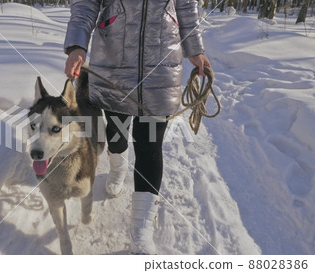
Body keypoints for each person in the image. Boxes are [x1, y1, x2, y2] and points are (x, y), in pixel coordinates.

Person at [64, 0, 211, 254]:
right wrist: (77, 44)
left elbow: (187, 6)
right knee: (117, 133)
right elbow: (86, 4)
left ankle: (141, 233)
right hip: (114, 61)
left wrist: (194, 48)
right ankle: (118, 164)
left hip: (161, 64)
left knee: (150, 146)